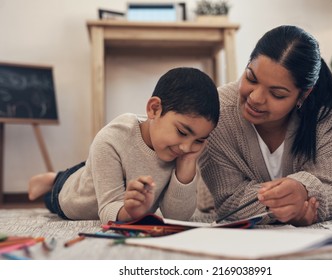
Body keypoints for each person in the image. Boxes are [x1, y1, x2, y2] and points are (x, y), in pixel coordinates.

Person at [199, 25, 332, 226]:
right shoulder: (218, 112)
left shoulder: (329, 114)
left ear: (304, 94)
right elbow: (230, 202)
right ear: (248, 63)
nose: (255, 98)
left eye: (277, 94)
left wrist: (303, 191)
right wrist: (291, 205)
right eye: (251, 78)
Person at [28, 67, 220, 224]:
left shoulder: (181, 150)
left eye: (199, 140)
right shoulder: (111, 139)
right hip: (73, 195)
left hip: (103, 169)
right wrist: (129, 213)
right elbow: (107, 209)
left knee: (91, 168)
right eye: (182, 132)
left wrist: (186, 166)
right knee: (65, 187)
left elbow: (177, 217)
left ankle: (58, 176)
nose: (186, 147)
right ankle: (54, 180)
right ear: (154, 109)